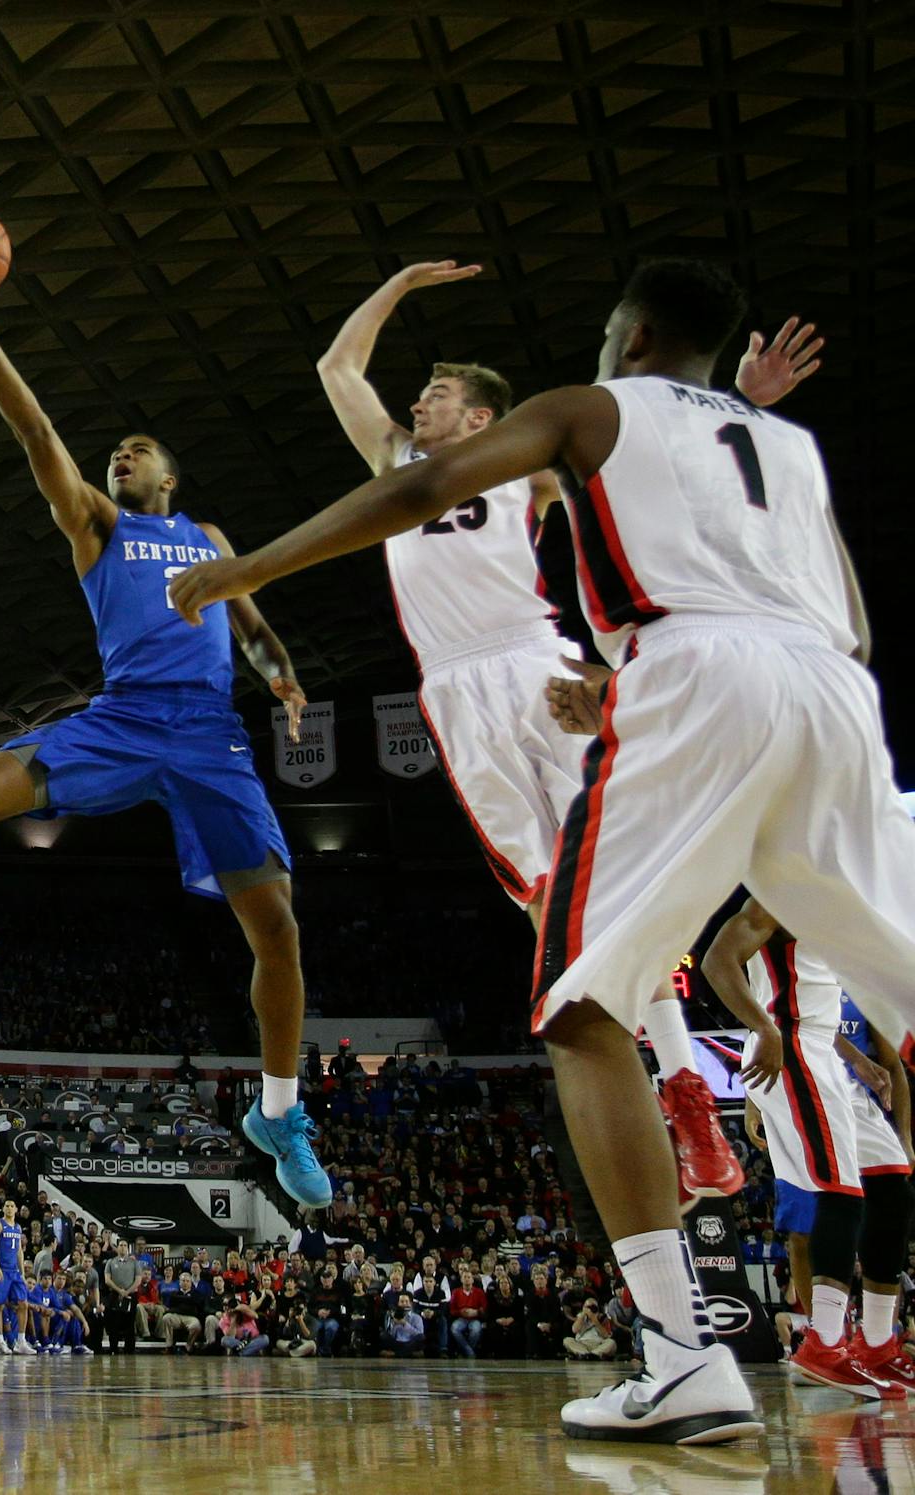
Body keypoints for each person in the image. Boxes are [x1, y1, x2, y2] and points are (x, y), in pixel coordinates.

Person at [168, 258, 915, 1443]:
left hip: (606, 666)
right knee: (604, 923)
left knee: (574, 991)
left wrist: (249, 568)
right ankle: (682, 1100)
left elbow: (459, 492)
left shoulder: (576, 414)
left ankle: (682, 1333)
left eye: (439, 396)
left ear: (634, 332)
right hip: (824, 684)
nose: (419, 410)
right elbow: (837, 609)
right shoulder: (789, 449)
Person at [313, 264, 806, 1204]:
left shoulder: (525, 460)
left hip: (540, 669)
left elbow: (655, 467)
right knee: (552, 908)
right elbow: (339, 366)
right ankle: (669, 1083)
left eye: (440, 392)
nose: (419, 400)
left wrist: (742, 400)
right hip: (456, 696)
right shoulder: (396, 466)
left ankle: (689, 1089)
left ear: (478, 417)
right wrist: (398, 283)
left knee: (614, 883)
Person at [0, 269, 331, 1210]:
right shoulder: (98, 525)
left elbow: (247, 619)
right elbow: (35, 430)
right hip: (123, 716)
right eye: (115, 451)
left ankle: (278, 1114)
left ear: (172, 476)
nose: (121, 457)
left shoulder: (203, 533)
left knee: (277, 928)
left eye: (138, 450)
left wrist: (279, 671)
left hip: (208, 732)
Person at [703, 897, 914, 1397]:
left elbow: (816, 1000)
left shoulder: (828, 902)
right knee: (839, 1192)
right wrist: (762, 1026)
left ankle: (877, 1345)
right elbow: (716, 960)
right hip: (791, 1046)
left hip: (823, 1048)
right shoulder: (775, 894)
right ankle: (823, 1342)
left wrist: (856, 1059)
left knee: (891, 1186)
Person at [0, 1197, 36, 1353]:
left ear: (16, 1209)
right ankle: (0, 1342)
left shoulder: (18, 1228)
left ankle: (21, 1341)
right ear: (3, 1208)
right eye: (6, 1205)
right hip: (2, 1269)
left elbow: (20, 1251)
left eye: (12, 1205)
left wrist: (21, 1272)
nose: (9, 1208)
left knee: (23, 1304)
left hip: (14, 1271)